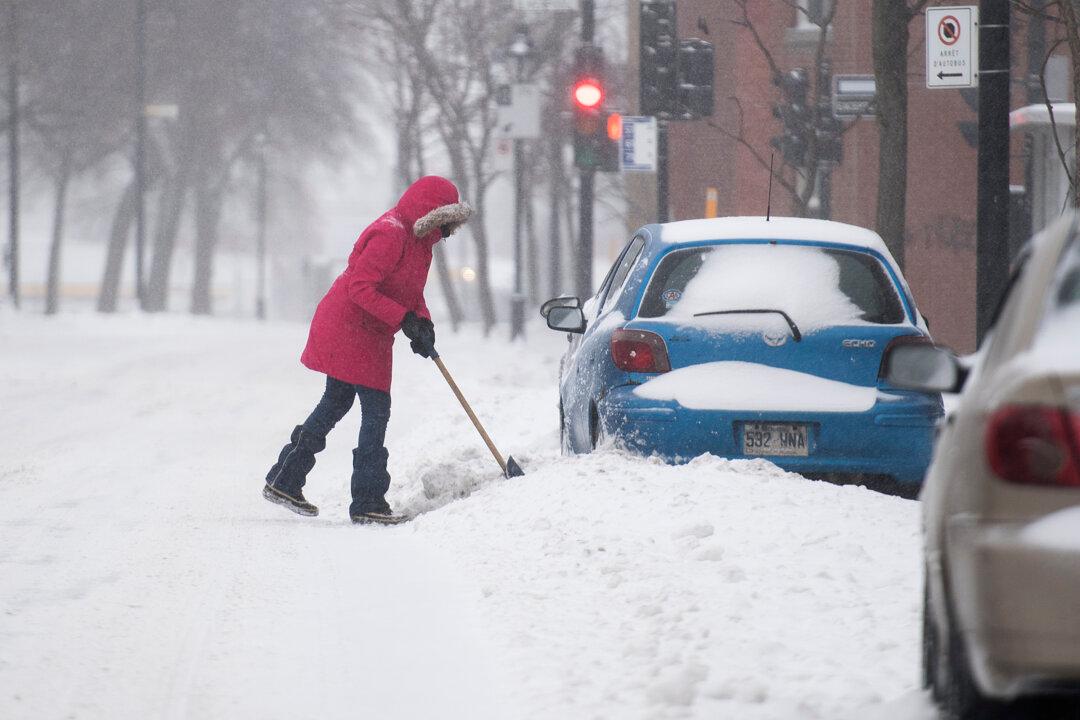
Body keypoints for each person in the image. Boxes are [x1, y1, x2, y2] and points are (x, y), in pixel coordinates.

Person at [263, 175, 471, 525]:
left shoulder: (421, 243)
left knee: (336, 402)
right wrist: (404, 318)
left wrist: (422, 323)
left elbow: (409, 291)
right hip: (350, 326)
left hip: (370, 330)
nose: (450, 231)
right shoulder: (391, 234)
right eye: (447, 222)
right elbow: (361, 286)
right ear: (432, 215)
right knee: (375, 409)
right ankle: (368, 501)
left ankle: (285, 480)